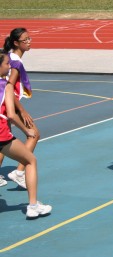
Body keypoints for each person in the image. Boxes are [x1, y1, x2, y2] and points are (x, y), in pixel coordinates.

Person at [0, 51, 52, 218]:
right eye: (7, 64)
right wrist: (26, 130)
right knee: (30, 160)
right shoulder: (6, 86)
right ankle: (33, 206)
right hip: (1, 134)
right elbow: (11, 115)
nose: (9, 67)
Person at [0, 28, 39, 189]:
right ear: (16, 43)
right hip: (11, 104)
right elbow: (9, 87)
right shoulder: (15, 62)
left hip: (6, 103)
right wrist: (21, 110)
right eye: (25, 40)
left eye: (30, 38)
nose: (29, 42)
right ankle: (20, 171)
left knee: (3, 142)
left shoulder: (10, 57)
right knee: (34, 134)